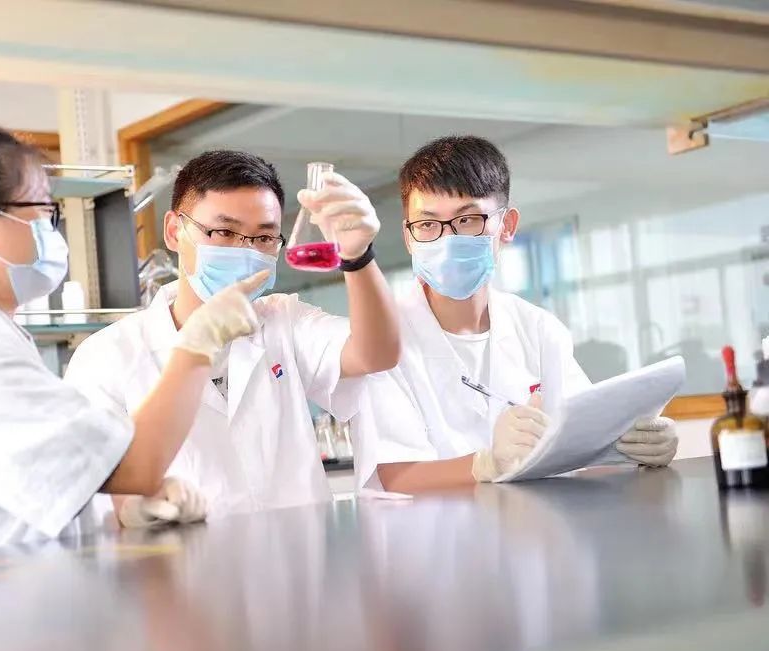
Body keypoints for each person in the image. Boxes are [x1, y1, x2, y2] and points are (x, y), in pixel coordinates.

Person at [0, 125, 267, 552]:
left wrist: (118, 513)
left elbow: (37, 483)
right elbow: (139, 466)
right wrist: (199, 342)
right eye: (43, 211)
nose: (52, 231)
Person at [65, 150, 400, 525]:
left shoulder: (283, 321)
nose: (247, 251)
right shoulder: (106, 355)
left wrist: (358, 258)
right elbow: (95, 486)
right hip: (186, 557)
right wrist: (132, 510)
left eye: (265, 237)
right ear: (174, 231)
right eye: (224, 232)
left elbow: (376, 354)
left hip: (299, 555)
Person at [352, 136, 678, 493]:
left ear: (506, 225)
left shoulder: (538, 329)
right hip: (428, 528)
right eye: (428, 225)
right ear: (409, 237)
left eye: (468, 219)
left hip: (530, 521)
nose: (447, 239)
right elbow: (395, 476)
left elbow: (584, 442)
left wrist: (633, 446)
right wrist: (487, 464)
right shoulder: (380, 339)